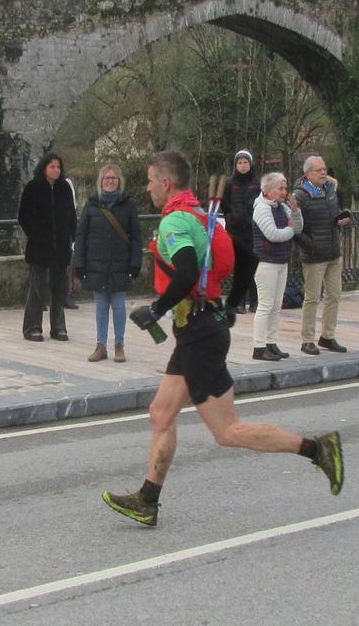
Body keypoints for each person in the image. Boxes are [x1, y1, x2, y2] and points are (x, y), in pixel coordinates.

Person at [101, 149, 344, 527]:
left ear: (165, 182)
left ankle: (317, 449)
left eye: (150, 180)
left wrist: (157, 310)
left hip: (199, 333)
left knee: (228, 431)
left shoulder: (175, 223)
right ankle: (147, 500)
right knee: (161, 413)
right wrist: (229, 306)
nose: (147, 187)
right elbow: (246, 259)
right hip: (201, 329)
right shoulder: (202, 217)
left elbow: (185, 273)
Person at [72, 162, 142, 363]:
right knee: (101, 305)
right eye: (107, 178)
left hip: (120, 264)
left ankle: (119, 345)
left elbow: (136, 237)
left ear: (119, 181)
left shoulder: (128, 205)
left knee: (118, 306)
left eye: (114, 178)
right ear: (101, 182)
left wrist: (135, 263)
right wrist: (80, 262)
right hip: (97, 264)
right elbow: (81, 234)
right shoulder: (92, 205)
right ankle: (100, 345)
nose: (110, 181)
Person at [292, 154, 349, 355]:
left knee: (334, 295)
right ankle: (307, 339)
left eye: (324, 168)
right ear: (308, 174)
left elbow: (333, 214)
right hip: (314, 255)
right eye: (319, 170)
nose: (324, 172)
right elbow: (294, 228)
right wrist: (311, 245)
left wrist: (340, 221)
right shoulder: (300, 195)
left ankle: (328, 336)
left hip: (333, 251)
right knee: (312, 298)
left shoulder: (330, 190)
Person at [17, 153, 75, 341]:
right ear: (44, 168)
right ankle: (32, 327)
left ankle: (58, 327)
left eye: (58, 167)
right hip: (39, 247)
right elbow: (23, 216)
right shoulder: (33, 187)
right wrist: (35, 234)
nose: (56, 170)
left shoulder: (65, 188)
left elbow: (71, 216)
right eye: (52, 166)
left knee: (59, 289)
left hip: (61, 248)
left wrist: (71, 238)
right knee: (37, 289)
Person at [249, 171, 301, 360]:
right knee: (265, 304)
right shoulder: (262, 208)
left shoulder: (281, 207)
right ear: (269, 191)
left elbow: (299, 226)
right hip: (265, 262)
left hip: (281, 260)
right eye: (281, 188)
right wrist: (290, 229)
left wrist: (295, 211)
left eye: (285, 188)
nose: (284, 191)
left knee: (276, 305)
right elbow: (273, 234)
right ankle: (258, 346)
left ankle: (271, 343)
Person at [222, 150, 261, 314]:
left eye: (245, 162)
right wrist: (231, 216)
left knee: (253, 265)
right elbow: (223, 202)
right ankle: (239, 302)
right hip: (235, 229)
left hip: (252, 229)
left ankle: (254, 301)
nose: (243, 165)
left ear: (250, 164)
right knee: (238, 265)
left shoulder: (257, 182)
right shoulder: (230, 183)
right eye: (240, 163)